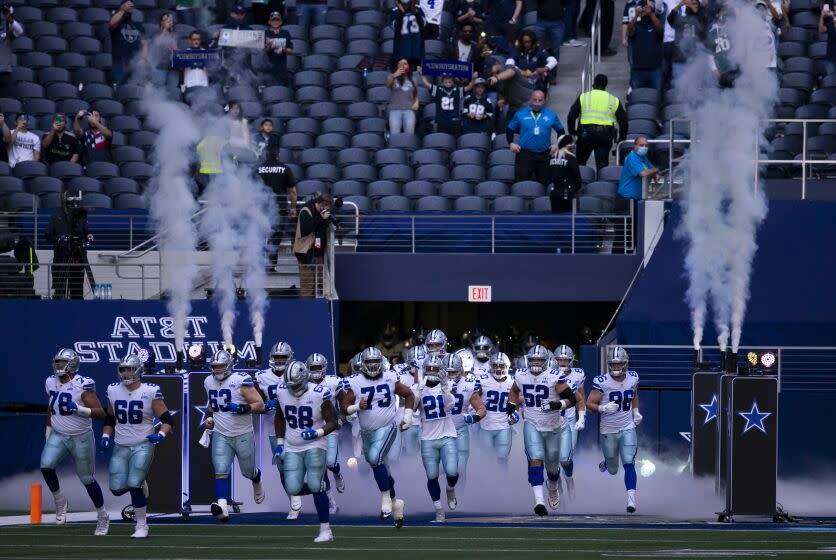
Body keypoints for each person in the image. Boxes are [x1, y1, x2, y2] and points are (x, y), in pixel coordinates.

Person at [100, 354, 173, 539]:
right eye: (123, 369)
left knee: (133, 484)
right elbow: (110, 417)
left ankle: (142, 526)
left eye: (130, 369)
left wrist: (161, 434)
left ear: (138, 370)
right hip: (121, 446)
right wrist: (105, 435)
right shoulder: (113, 390)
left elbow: (167, 419)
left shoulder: (150, 390)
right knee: (116, 489)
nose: (126, 373)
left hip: (143, 444)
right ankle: (141, 483)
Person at [340, 347, 414, 527]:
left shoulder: (390, 377)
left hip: (387, 427)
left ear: (381, 363)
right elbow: (344, 408)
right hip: (367, 433)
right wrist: (358, 407)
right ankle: (396, 503)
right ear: (363, 365)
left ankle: (385, 500)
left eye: (375, 362)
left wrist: (408, 418)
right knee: (382, 468)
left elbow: (409, 394)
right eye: (369, 362)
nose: (373, 365)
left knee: (374, 458)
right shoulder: (356, 382)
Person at [41, 348, 109, 535]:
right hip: (59, 434)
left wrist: (79, 409)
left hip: (81, 437)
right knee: (46, 466)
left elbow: (100, 413)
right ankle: (59, 500)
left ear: (72, 364)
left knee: (87, 479)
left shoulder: (82, 384)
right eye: (57, 362)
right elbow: (51, 407)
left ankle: (102, 515)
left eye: (62, 362)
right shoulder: (50, 381)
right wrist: (48, 430)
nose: (58, 365)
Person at [273, 360, 339, 542]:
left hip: (315, 444)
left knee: (315, 485)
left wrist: (317, 432)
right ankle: (319, 486)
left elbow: (335, 422)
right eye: (290, 385)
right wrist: (280, 442)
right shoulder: (281, 391)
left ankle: (326, 530)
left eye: (296, 384)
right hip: (293, 446)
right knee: (292, 487)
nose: (293, 388)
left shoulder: (319, 393)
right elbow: (279, 417)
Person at [509, 345, 576, 515]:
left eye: (539, 359)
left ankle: (552, 487)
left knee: (553, 466)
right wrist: (511, 408)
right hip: (532, 423)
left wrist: (556, 404)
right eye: (533, 359)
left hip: (553, 426)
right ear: (528, 361)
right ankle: (539, 501)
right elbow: (514, 392)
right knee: (535, 458)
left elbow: (571, 398)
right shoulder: (521, 375)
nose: (536, 362)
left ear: (546, 361)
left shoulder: (553, 375)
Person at [202, 349, 266, 522]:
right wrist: (209, 417)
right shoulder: (208, 381)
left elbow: (260, 404)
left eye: (221, 365)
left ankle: (256, 478)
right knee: (220, 469)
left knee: (247, 471)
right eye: (215, 366)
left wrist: (243, 408)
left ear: (229, 365)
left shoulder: (240, 380)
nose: (217, 369)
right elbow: (213, 403)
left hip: (242, 433)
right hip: (221, 434)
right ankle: (222, 507)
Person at [586, 346, 642, 513]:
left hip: (627, 427)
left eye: (618, 364)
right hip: (608, 430)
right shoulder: (602, 382)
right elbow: (589, 404)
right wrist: (603, 408)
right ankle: (607, 462)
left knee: (629, 462)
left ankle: (631, 500)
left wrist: (636, 412)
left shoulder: (633, 378)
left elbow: (634, 395)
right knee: (612, 469)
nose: (615, 367)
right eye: (613, 364)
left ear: (625, 364)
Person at [256, 341, 302, 518]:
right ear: (271, 358)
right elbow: (258, 403)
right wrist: (266, 405)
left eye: (283, 357)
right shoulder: (262, 377)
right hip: (273, 428)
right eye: (277, 357)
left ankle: (325, 496)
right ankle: (294, 502)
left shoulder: (298, 371)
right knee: (283, 467)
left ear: (290, 357)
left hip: (297, 424)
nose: (280, 360)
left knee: (307, 463)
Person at [412, 355, 461, 523]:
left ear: (441, 370)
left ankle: (450, 488)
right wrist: (418, 393)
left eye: (435, 369)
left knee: (452, 472)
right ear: (424, 370)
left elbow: (450, 406)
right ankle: (439, 509)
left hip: (447, 434)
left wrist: (446, 388)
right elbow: (411, 410)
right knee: (432, 475)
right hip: (428, 438)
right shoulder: (417, 387)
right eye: (429, 369)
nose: (432, 372)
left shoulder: (448, 385)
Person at [306, 352, 346, 513]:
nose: (315, 370)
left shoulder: (333, 382)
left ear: (324, 367)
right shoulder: (304, 384)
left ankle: (337, 472)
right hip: (314, 430)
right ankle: (332, 504)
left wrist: (342, 417)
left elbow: (344, 402)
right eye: (313, 367)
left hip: (330, 428)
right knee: (319, 467)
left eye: (318, 367)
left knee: (330, 463)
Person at [566, 73, 627, 171]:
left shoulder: (584, 97)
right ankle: (602, 185)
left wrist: (572, 131)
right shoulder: (613, 100)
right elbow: (623, 121)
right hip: (605, 136)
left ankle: (580, 184)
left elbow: (572, 116)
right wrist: (622, 138)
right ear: (606, 85)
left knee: (580, 163)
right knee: (602, 166)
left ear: (593, 84)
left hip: (585, 135)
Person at [506, 89, 566, 184]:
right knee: (521, 184)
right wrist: (511, 143)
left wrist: (557, 145)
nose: (537, 103)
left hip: (545, 156)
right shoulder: (520, 114)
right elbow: (509, 129)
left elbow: (561, 131)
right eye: (535, 100)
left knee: (544, 184)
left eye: (540, 100)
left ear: (544, 101)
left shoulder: (552, 115)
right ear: (530, 100)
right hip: (525, 155)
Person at [45, 191, 93, 300]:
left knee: (77, 292)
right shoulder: (56, 217)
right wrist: (59, 240)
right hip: (61, 257)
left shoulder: (81, 216)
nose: (73, 209)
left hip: (78, 259)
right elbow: (47, 235)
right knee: (60, 291)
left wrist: (89, 235)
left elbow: (86, 232)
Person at [444, 352, 485, 478]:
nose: (450, 376)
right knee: (442, 467)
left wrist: (473, 418)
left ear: (460, 370)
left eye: (453, 372)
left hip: (461, 429)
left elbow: (481, 409)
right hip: (441, 430)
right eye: (447, 372)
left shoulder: (469, 384)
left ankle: (460, 495)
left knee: (461, 468)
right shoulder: (434, 384)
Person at [553, 345, 586, 498]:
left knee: (565, 458)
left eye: (565, 359)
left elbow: (581, 397)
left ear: (572, 360)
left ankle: (569, 478)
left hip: (570, 420)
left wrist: (581, 417)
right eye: (559, 359)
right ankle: (556, 481)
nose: (562, 363)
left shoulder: (578, 375)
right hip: (551, 422)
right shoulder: (547, 374)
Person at [477, 352, 516, 463]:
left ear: (507, 366)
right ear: (491, 366)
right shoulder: (482, 380)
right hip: (486, 425)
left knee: (502, 457)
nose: (498, 369)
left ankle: (502, 479)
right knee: (486, 459)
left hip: (504, 425)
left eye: (501, 365)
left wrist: (515, 412)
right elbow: (474, 399)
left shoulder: (513, 381)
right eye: (495, 365)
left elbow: (520, 400)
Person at [294, 193, 333, 298]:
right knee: (307, 284)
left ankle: (315, 307)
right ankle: (305, 310)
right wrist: (321, 217)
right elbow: (306, 230)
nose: (326, 211)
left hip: (318, 253)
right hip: (305, 253)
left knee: (318, 285)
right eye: (326, 208)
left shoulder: (321, 211)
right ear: (321, 204)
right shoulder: (306, 210)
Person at [626, 0, 664, 91]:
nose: (645, 11)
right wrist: (636, 15)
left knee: (657, 97)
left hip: (655, 70)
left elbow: (661, 30)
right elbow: (629, 30)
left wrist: (651, 14)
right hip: (638, 70)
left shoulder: (656, 24)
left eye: (648, 9)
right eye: (643, 9)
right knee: (636, 97)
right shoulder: (636, 26)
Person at [417, 70, 470, 135]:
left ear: (453, 83)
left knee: (454, 140)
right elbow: (427, 84)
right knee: (443, 139)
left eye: (449, 82)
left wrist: (473, 79)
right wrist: (421, 74)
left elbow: (468, 88)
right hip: (441, 121)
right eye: (446, 82)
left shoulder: (457, 90)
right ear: (442, 83)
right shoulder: (438, 90)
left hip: (454, 121)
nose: (448, 84)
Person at [667, 0, 708, 82]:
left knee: (695, 89)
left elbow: (706, 22)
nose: (695, 6)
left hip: (695, 62)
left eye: (697, 4)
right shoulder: (680, 19)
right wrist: (680, 4)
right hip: (680, 61)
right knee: (680, 89)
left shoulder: (700, 20)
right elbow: (670, 18)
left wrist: (701, 7)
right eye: (693, 4)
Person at [109, 0, 146, 86]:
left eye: (131, 5)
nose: (129, 6)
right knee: (119, 85)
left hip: (134, 60)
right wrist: (122, 9)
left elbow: (144, 44)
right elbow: (111, 24)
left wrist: (142, 58)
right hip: (119, 60)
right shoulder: (117, 23)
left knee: (135, 86)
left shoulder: (138, 25)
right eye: (127, 4)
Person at [618, 136, 661, 201]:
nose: (644, 147)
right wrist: (656, 170)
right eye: (641, 145)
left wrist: (655, 173)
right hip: (628, 197)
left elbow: (652, 169)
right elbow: (643, 173)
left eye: (646, 146)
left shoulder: (643, 157)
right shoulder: (632, 157)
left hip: (638, 196)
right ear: (635, 146)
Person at [549, 134, 581, 213]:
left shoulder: (552, 158)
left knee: (556, 220)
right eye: (571, 143)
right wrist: (576, 189)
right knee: (570, 221)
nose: (573, 145)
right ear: (567, 144)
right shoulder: (571, 158)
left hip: (554, 193)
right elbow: (577, 178)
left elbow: (549, 175)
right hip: (568, 193)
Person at [386, 58, 420, 135]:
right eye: (401, 64)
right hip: (394, 110)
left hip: (409, 110)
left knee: (409, 135)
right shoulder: (392, 76)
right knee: (395, 135)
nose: (404, 65)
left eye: (405, 63)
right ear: (397, 66)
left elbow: (416, 93)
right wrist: (394, 75)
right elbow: (388, 85)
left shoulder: (414, 79)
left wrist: (417, 102)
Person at [392, 0, 426, 69]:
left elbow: (424, 25)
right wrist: (401, 13)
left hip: (416, 49)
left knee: (416, 74)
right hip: (402, 50)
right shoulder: (395, 11)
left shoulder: (418, 9)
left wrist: (415, 12)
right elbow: (395, 27)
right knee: (404, 74)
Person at [149, 13, 179, 89]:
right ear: (161, 22)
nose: (168, 22)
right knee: (159, 90)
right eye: (166, 20)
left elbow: (177, 51)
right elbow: (155, 45)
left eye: (170, 20)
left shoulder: (176, 36)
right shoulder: (155, 34)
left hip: (173, 69)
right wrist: (165, 30)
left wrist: (175, 52)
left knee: (172, 91)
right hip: (159, 68)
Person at [264, 11, 294, 87]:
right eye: (273, 20)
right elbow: (263, 51)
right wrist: (269, 47)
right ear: (269, 22)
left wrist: (284, 49)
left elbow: (291, 50)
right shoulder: (265, 33)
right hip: (268, 69)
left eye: (277, 20)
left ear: (281, 22)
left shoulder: (286, 33)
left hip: (281, 69)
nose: (275, 22)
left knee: (281, 92)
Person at [0, 4, 23, 98]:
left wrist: (10, 19)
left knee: (7, 104)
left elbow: (19, 31)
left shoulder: (7, 29)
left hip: (4, 73)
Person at [535, 0, 565, 70]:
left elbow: (566, 3)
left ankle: (552, 76)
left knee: (555, 49)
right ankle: (539, 74)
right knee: (538, 48)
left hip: (557, 22)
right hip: (541, 20)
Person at [820, 5, 836, 76]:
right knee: (831, 79)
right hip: (830, 59)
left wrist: (833, 17)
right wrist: (821, 16)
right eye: (834, 10)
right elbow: (821, 29)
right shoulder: (831, 24)